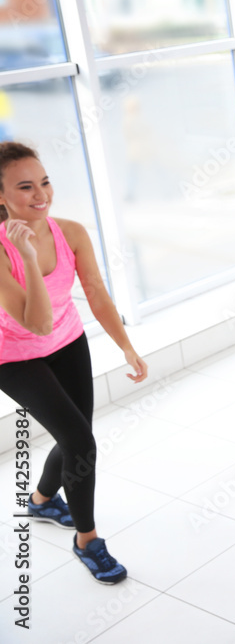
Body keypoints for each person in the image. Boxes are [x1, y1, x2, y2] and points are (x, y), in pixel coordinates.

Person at [0, 142, 147, 583]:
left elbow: (96, 293)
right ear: (1, 196)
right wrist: (25, 254)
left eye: (44, 182)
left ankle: (43, 500)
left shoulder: (71, 231)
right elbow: (35, 323)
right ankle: (87, 539)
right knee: (81, 441)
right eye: (25, 187)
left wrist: (125, 345)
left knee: (75, 433)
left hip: (68, 340)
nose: (40, 194)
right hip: (14, 355)